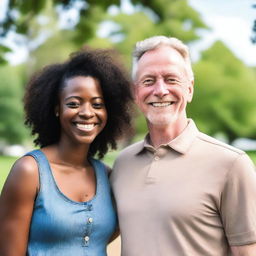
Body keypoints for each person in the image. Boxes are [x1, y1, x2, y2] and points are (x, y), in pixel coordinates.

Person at [110, 35, 256, 256]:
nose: (160, 90)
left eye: (171, 79)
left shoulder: (232, 164)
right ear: (136, 93)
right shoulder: (123, 164)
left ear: (190, 88)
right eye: (148, 81)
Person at [0, 48, 132, 255]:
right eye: (73, 103)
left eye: (97, 104)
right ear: (56, 108)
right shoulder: (30, 172)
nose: (87, 113)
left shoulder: (107, 176)